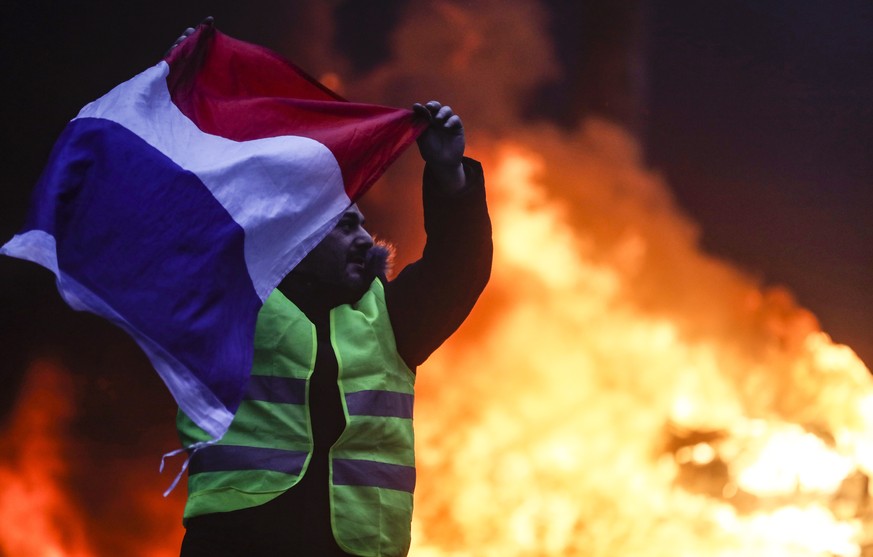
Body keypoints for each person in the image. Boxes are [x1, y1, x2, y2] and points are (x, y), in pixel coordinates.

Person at [166, 26, 493, 553]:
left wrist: (449, 172)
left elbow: (460, 267)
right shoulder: (233, 298)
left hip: (358, 547)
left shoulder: (391, 317)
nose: (365, 237)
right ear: (296, 234)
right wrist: (186, 96)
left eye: (361, 223)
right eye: (344, 226)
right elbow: (183, 215)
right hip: (236, 543)